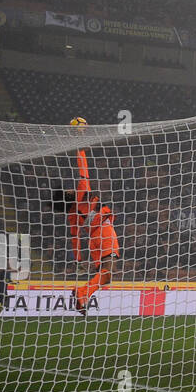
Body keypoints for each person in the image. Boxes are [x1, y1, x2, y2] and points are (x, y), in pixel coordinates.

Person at [62, 127, 121, 316]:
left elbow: (75, 238)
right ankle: (82, 293)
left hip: (93, 240)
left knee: (106, 276)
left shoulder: (72, 215)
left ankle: (82, 294)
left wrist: (78, 259)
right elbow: (83, 171)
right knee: (108, 272)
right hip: (104, 232)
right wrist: (80, 146)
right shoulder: (81, 193)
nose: (70, 190)